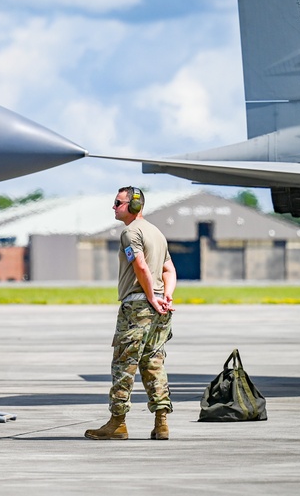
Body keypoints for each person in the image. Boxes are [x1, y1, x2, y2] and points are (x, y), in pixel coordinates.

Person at [85, 186, 177, 441]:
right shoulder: (156, 233)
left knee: (124, 365)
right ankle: (161, 423)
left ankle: (117, 423)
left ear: (133, 206)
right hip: (159, 309)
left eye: (118, 202)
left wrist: (150, 297)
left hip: (138, 307)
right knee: (154, 363)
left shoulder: (130, 232)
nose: (113, 207)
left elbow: (140, 266)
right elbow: (169, 269)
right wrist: (165, 297)